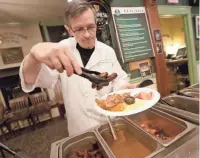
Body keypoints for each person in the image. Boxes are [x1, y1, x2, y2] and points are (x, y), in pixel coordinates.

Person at [19, 0, 135, 136]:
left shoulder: (107, 51)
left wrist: (122, 89)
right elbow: (30, 80)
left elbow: (118, 78)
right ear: (69, 29)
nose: (87, 34)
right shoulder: (61, 49)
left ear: (96, 24)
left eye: (90, 27)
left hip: (109, 122)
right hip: (80, 127)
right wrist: (33, 56)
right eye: (79, 29)